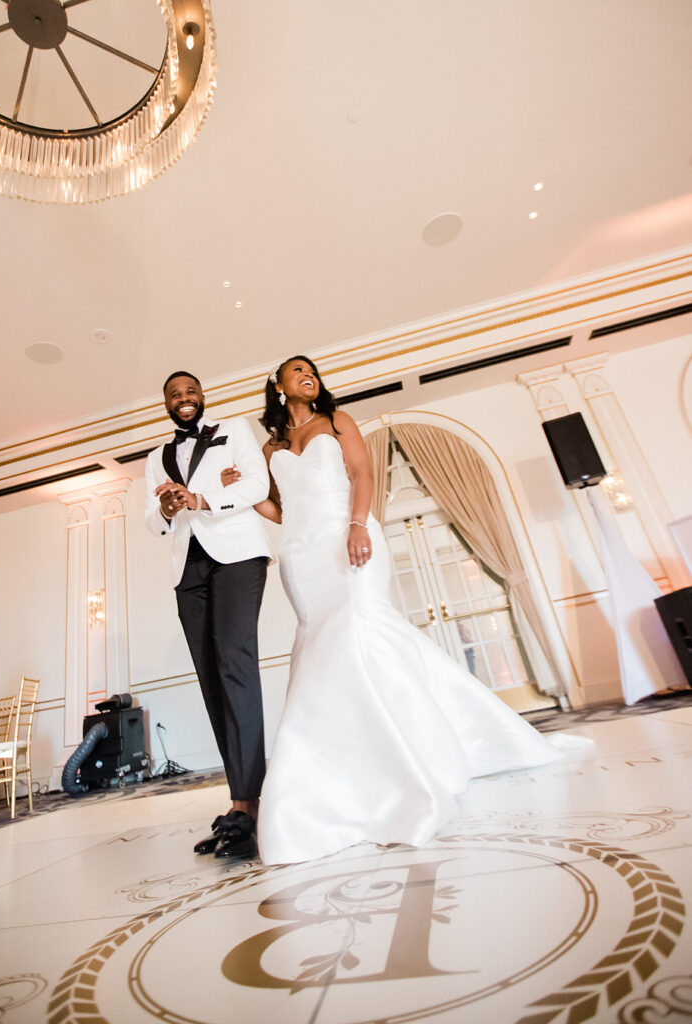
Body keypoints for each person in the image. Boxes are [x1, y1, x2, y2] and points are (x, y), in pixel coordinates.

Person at [222, 355, 570, 865]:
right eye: (297, 371)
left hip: (348, 536)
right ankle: (345, 767)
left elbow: (362, 474)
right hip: (301, 553)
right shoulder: (271, 447)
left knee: (362, 632)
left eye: (312, 370)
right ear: (277, 386)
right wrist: (243, 493)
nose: (308, 375)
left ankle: (413, 757)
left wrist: (358, 524)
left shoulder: (336, 421)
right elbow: (280, 508)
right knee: (322, 647)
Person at [144, 371, 272, 858]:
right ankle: (240, 800)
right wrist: (170, 507)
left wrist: (203, 497)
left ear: (202, 396)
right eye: (174, 394)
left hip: (237, 556)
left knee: (235, 667)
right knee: (211, 680)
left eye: (190, 391)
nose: (183, 399)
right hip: (188, 570)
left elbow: (257, 483)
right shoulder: (155, 457)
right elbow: (150, 519)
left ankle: (250, 806)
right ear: (166, 404)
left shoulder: (235, 429)